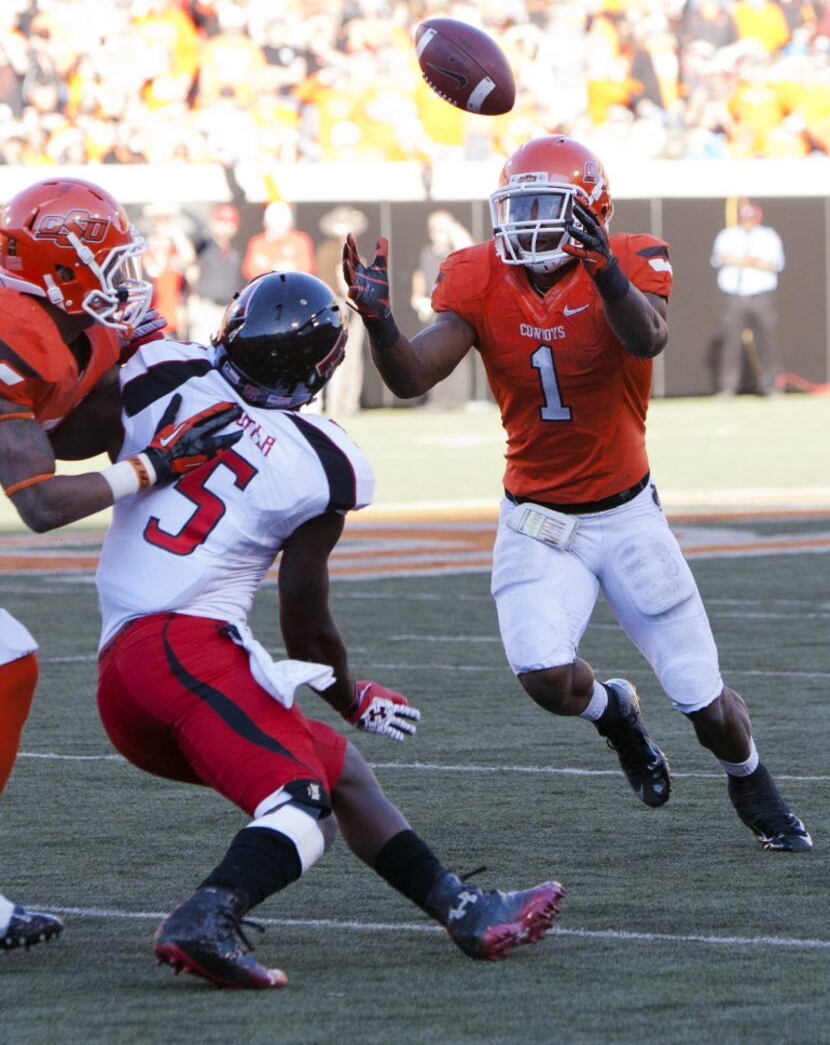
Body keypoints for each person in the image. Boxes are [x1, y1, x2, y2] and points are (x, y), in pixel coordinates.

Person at [93, 270, 565, 989]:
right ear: (319, 369)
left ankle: (462, 906)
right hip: (184, 651)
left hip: (126, 675)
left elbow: (78, 429)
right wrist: (348, 693)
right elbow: (305, 627)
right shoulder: (320, 458)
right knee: (301, 804)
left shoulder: (168, 370)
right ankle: (206, 914)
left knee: (340, 770)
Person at [342, 134, 811, 854]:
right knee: (542, 675)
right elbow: (411, 378)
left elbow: (647, 338)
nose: (528, 223)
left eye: (545, 206)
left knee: (703, 701)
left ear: (590, 211)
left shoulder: (630, 257)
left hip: (626, 515)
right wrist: (378, 321)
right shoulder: (475, 273)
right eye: (518, 206)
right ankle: (615, 712)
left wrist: (604, 275)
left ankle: (749, 777)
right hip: (535, 519)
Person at [0, 176, 244, 950]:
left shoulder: (75, 321)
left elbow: (114, 399)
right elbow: (38, 503)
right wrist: (152, 468)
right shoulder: (11, 328)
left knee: (9, 659)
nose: (122, 279)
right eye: (104, 263)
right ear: (59, 271)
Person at [710, 198, 785, 397]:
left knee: (766, 342)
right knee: (730, 342)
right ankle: (728, 386)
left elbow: (773, 263)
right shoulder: (728, 235)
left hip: (761, 295)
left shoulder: (768, 236)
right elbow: (720, 258)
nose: (748, 222)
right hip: (734, 296)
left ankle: (770, 386)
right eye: (745, 218)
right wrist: (752, 261)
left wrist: (740, 260)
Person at [410, 210, 476, 410]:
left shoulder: (455, 251)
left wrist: (451, 227)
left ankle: (456, 400)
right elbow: (420, 274)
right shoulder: (428, 251)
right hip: (433, 307)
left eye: (440, 228)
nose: (436, 233)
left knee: (456, 354)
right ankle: (437, 400)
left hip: (454, 308)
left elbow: (472, 249)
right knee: (433, 353)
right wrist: (417, 296)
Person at [316, 205, 368, 417]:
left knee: (353, 357)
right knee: (340, 357)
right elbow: (329, 281)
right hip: (338, 305)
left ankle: (350, 403)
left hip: (353, 307)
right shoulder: (328, 251)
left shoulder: (355, 253)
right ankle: (338, 404)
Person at [188, 204, 244, 345]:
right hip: (206, 306)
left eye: (230, 222)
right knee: (201, 349)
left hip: (225, 310)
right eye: (221, 221)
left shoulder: (234, 252)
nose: (225, 226)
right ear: (213, 223)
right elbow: (191, 269)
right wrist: (192, 299)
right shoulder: (205, 245)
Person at [241, 201, 315, 281]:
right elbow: (250, 270)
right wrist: (282, 267)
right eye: (274, 225)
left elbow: (307, 268)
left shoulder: (300, 241)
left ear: (289, 224)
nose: (277, 229)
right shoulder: (258, 243)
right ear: (266, 224)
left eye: (281, 225)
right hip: (266, 288)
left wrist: (269, 266)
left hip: (293, 287)